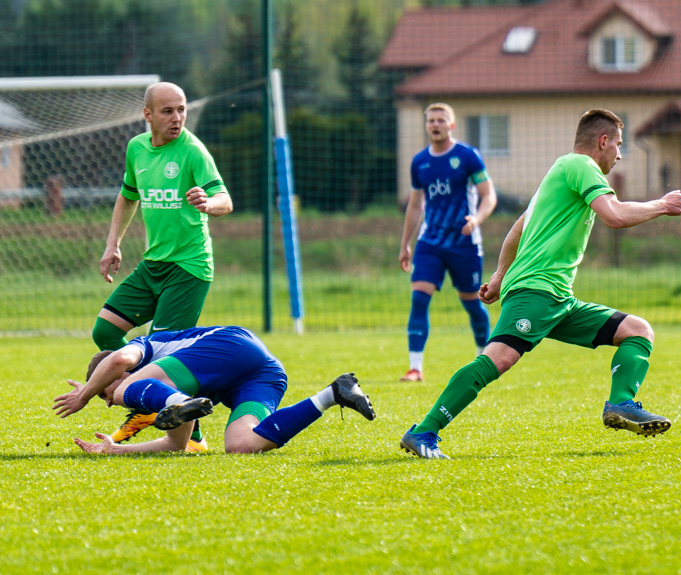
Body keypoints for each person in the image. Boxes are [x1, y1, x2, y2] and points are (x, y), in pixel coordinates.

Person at [399, 109, 681, 459]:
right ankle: (425, 431)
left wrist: (499, 276)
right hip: (537, 290)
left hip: (557, 298)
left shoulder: (559, 171)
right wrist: (663, 204)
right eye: (619, 145)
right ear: (603, 141)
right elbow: (614, 215)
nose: (620, 154)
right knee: (498, 359)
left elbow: (518, 228)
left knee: (637, 330)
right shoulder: (582, 167)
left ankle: (621, 404)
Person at [92, 82, 233, 450]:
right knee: (104, 331)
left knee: (167, 354)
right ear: (148, 115)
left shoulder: (192, 150)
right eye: (168, 111)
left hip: (188, 267)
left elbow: (225, 199)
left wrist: (208, 203)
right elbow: (127, 197)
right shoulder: (137, 148)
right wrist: (113, 244)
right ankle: (157, 401)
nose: (177, 118)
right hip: (152, 264)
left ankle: (193, 435)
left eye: (182, 109)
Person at [52, 326, 375, 454]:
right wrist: (116, 450)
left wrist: (84, 395)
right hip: (262, 372)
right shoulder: (162, 391)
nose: (110, 403)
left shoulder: (141, 349)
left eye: (104, 394)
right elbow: (174, 445)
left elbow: (119, 358)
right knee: (242, 445)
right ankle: (334, 393)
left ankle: (182, 402)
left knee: (131, 389)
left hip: (232, 344)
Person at [398, 103, 498, 382]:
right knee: (419, 298)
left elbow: (488, 196)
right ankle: (415, 368)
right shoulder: (419, 162)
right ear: (426, 125)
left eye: (441, 120)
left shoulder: (468, 157)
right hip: (430, 243)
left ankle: (486, 358)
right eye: (431, 120)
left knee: (472, 303)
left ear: (451, 125)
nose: (435, 124)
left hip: (464, 243)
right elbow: (415, 205)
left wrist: (476, 219)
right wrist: (405, 244)